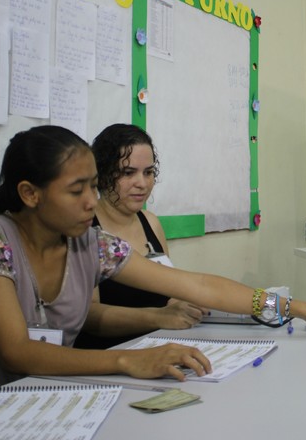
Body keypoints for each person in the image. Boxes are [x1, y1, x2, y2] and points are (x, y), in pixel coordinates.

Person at [0, 125, 306, 389]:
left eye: (92, 186)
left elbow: (201, 286)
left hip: (58, 395)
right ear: (30, 193)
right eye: (76, 191)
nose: (91, 201)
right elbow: (15, 351)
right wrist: (129, 361)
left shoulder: (91, 243)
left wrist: (300, 307)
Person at [75, 124, 207, 350]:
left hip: (160, 344)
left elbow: (170, 292)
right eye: (128, 173)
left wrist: (187, 306)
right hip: (109, 355)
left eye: (148, 172)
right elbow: (89, 317)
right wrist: (159, 317)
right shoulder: (84, 229)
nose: (142, 183)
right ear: (103, 173)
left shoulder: (151, 222)